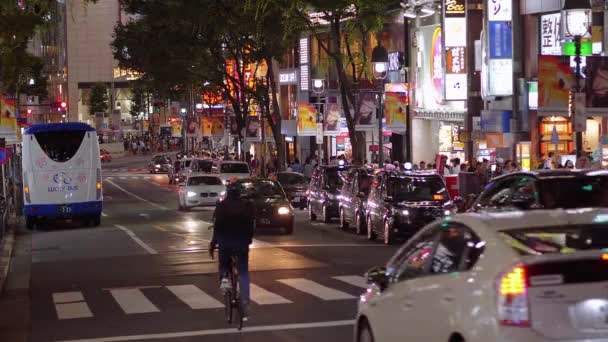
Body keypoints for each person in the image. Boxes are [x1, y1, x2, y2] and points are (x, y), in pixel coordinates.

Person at [209, 185, 255, 320]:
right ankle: (245, 301)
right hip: (241, 243)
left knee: (223, 264)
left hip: (225, 242)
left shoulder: (222, 206)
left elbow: (217, 227)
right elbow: (251, 224)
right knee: (244, 272)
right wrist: (248, 239)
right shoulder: (246, 206)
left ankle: (224, 278)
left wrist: (213, 244)